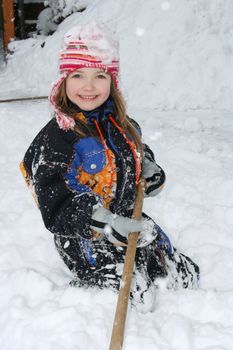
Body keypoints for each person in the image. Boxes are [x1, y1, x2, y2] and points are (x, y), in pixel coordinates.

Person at [20, 22, 199, 304]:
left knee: (165, 263)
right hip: (83, 233)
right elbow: (53, 201)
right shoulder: (57, 138)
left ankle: (160, 267)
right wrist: (104, 222)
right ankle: (97, 282)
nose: (89, 86)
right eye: (78, 75)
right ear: (63, 81)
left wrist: (147, 167)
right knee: (125, 283)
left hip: (126, 217)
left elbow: (136, 151)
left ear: (112, 81)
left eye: (100, 75)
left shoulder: (122, 125)